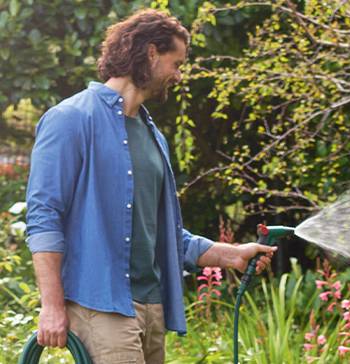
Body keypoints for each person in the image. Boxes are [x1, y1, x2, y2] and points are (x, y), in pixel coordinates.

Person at [25, 9, 276, 364]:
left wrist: (229, 255)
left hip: (150, 306)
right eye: (177, 63)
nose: (178, 74)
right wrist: (51, 307)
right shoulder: (71, 119)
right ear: (151, 53)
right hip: (101, 305)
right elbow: (44, 217)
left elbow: (159, 231)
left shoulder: (152, 135)